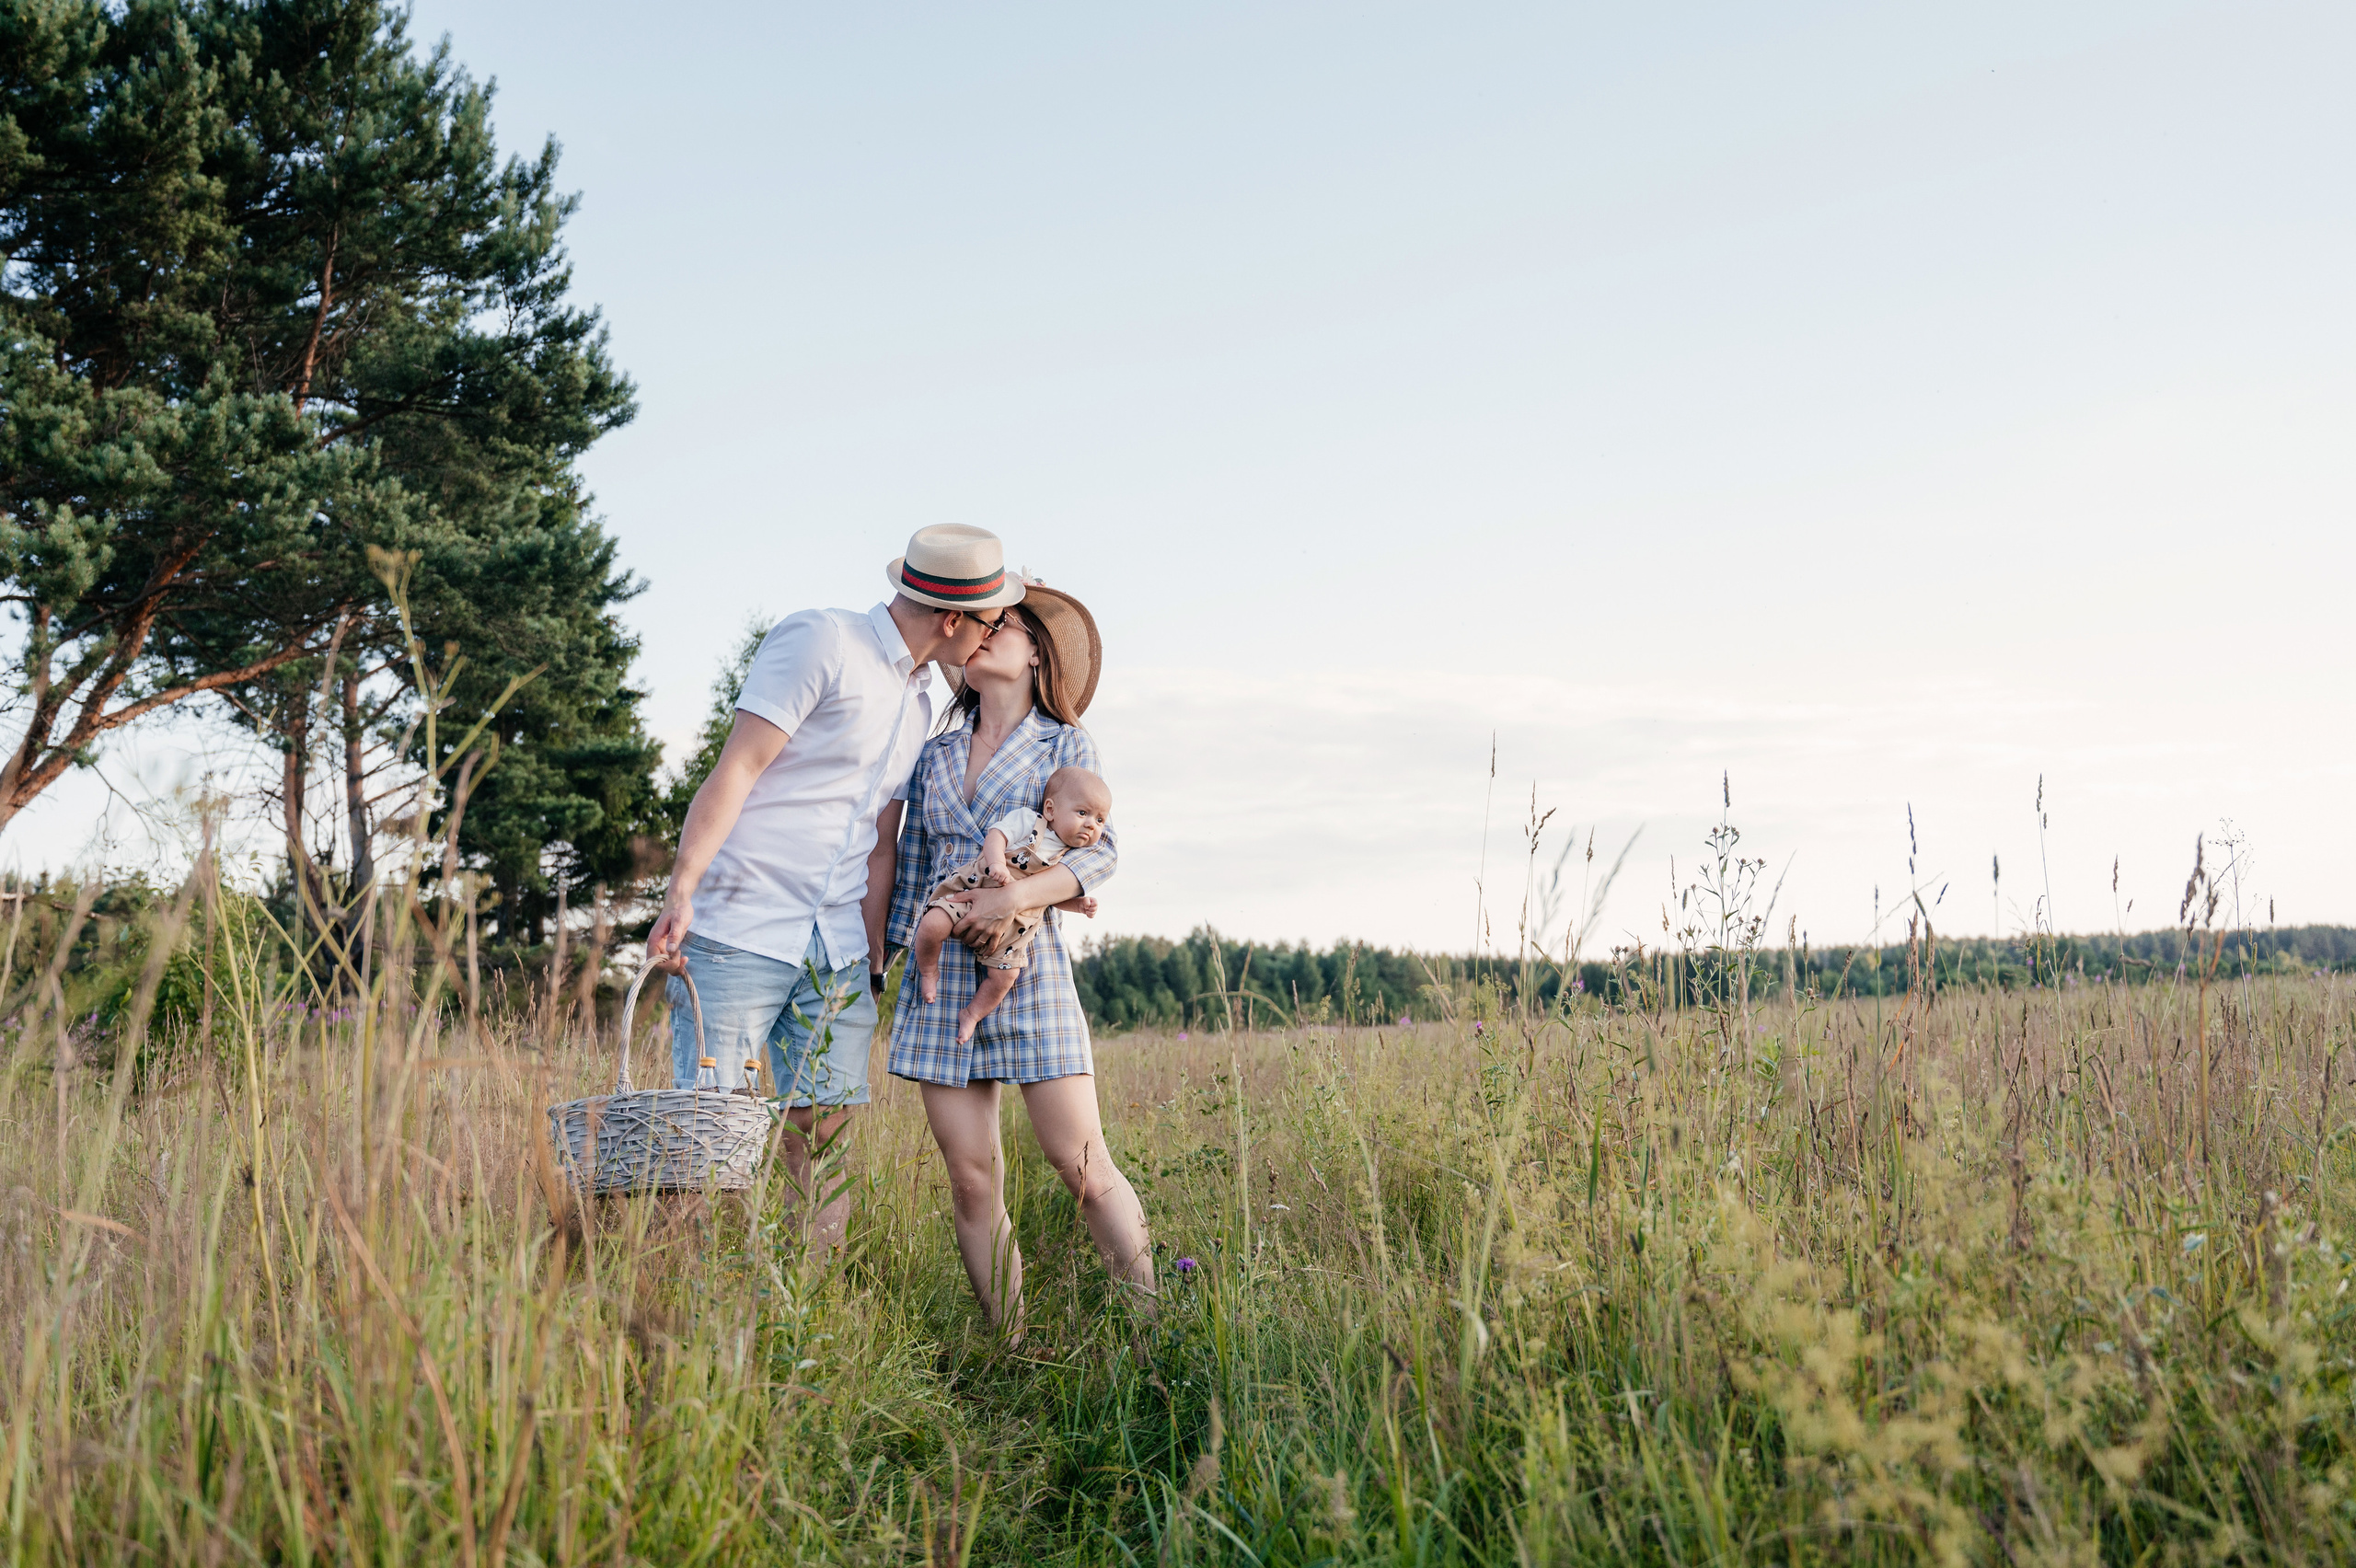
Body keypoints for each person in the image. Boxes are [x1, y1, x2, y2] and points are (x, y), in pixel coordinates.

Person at [646, 524, 1025, 1253]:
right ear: (953, 620)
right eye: (988, 621)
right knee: (711, 1136)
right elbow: (737, 768)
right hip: (742, 925)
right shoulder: (821, 640)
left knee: (822, 1140)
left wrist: (873, 959)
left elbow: (881, 842)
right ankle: (692, 1307)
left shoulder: (922, 702)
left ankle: (800, 1307)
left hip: (838, 950)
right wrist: (681, 889)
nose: (991, 634)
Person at [883, 580, 1156, 1337]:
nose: (980, 633)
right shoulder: (934, 753)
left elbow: (1100, 854)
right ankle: (1011, 1347)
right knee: (972, 1180)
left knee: (1083, 1166)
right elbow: (911, 866)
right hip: (940, 981)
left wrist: (1015, 899)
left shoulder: (1065, 744)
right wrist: (888, 960)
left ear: (1035, 650)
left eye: (998, 624)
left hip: (1028, 969)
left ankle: (1154, 1336)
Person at [910, 765, 1111, 1043]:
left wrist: (1077, 905)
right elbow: (997, 835)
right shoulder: (1029, 822)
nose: (1091, 825)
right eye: (1082, 813)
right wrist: (996, 863)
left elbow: (1052, 895)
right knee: (932, 924)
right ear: (1050, 810)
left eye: (1100, 820)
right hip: (976, 889)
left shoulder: (1067, 857)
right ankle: (929, 970)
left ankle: (972, 1014)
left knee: (1005, 976)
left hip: (1016, 925)